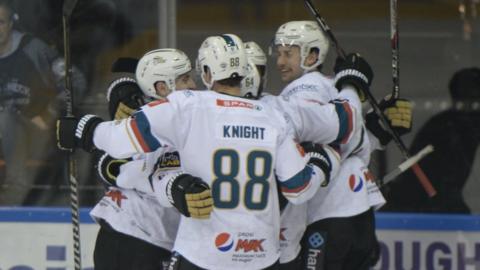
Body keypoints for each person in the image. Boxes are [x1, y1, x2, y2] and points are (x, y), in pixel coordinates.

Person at [57, 34, 342, 270]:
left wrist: (85, 130)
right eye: (183, 78)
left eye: (192, 76)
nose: (191, 84)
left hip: (203, 252)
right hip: (260, 255)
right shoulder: (272, 117)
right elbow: (298, 187)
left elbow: (119, 144)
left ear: (206, 73)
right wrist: (323, 162)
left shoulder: (187, 107)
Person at [270, 21, 412, 269]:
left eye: (288, 54)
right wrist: (376, 131)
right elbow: (350, 143)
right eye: (279, 53)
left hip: (327, 217)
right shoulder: (331, 86)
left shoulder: (302, 91)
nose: (280, 62)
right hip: (359, 213)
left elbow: (337, 135)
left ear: (312, 55)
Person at [90, 49, 197, 270]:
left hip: (136, 234)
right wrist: (121, 86)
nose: (194, 85)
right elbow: (109, 164)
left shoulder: (178, 115)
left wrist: (122, 85)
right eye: (185, 79)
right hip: (137, 237)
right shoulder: (151, 120)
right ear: (162, 87)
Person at [0, 0, 85, 205]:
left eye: (0, 22)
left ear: (12, 23)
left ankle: (15, 196)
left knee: (5, 119)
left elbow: (76, 82)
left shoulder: (33, 49)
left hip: (35, 129)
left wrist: (49, 111)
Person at [382, 67, 480, 214]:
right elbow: (439, 182)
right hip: (416, 206)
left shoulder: (452, 124)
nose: (469, 108)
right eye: (469, 101)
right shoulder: (448, 127)